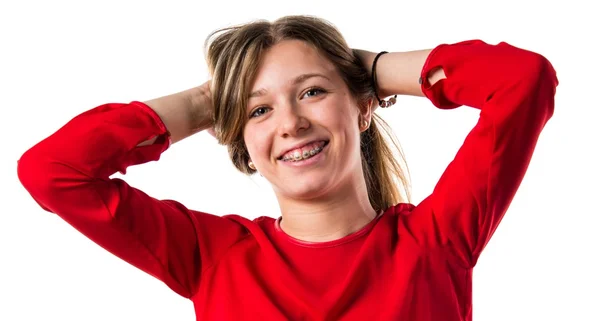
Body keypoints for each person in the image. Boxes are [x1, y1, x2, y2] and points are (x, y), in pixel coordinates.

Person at [17, 15, 558, 321]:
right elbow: (53, 172)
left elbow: (523, 80)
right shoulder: (212, 257)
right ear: (241, 140)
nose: (291, 122)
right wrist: (207, 103)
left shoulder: (434, 242)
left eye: (314, 92)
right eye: (259, 110)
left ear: (363, 107)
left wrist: (370, 68)